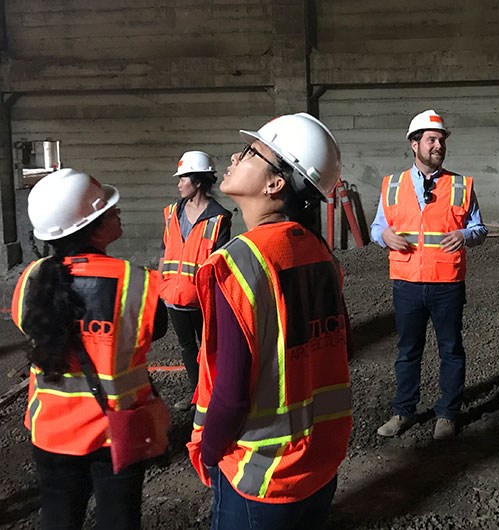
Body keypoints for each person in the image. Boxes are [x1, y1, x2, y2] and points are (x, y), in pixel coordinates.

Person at [187, 113, 353, 530]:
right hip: (319, 463)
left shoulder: (237, 262)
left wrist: (208, 451)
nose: (234, 156)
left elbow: (231, 392)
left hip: (261, 474)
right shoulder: (320, 253)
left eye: (249, 152)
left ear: (275, 183)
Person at [11, 168, 169, 530]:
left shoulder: (31, 279)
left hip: (50, 431)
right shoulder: (138, 283)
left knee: (58, 520)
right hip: (117, 431)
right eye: (110, 211)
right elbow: (152, 333)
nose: (118, 214)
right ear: (90, 226)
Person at [370, 110, 488, 441]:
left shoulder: (462, 185)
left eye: (441, 140)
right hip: (407, 282)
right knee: (408, 350)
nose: (438, 146)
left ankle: (447, 415)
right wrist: (384, 237)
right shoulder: (392, 185)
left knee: (451, 349)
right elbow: (378, 226)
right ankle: (403, 412)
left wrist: (465, 235)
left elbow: (480, 229)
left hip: (447, 283)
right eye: (432, 140)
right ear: (414, 144)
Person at [159, 151, 231, 410]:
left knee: (210, 349)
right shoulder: (171, 213)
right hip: (174, 297)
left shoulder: (219, 217)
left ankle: (214, 395)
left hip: (203, 300)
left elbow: (220, 263)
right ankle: (196, 394)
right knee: (187, 347)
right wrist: (160, 289)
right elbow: (164, 251)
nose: (178, 183)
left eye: (183, 178)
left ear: (198, 181)